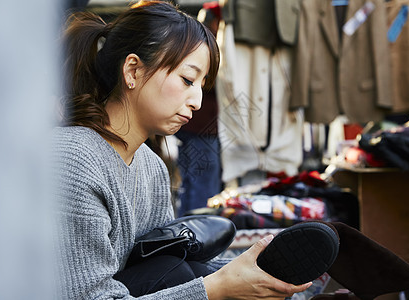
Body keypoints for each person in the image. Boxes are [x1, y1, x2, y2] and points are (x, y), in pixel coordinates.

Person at [53, 1, 312, 299]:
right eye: (188, 80)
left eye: (202, 85)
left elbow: (160, 267)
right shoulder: (72, 159)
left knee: (183, 269)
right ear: (133, 70)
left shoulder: (151, 167)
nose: (197, 101)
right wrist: (218, 288)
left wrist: (241, 274)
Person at [175, 1, 222, 217]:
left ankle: (186, 230)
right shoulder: (208, 47)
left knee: (191, 181)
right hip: (202, 127)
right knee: (201, 184)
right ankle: (196, 233)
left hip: (193, 124)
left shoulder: (196, 44)